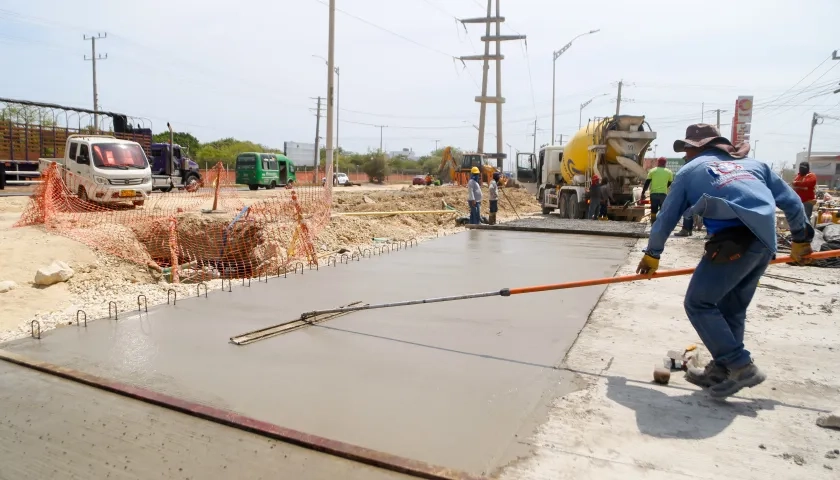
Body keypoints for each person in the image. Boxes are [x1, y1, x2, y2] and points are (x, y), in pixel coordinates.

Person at [636, 124, 814, 399]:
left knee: (698, 303)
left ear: (700, 147)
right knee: (732, 309)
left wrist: (652, 255)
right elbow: (792, 202)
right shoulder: (756, 165)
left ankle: (741, 366)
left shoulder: (689, 172)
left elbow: (666, 219)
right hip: (764, 244)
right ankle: (721, 371)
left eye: (687, 149)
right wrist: (801, 238)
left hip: (733, 244)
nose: (684, 156)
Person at [640, 157, 674, 223]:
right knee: (662, 210)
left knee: (653, 210)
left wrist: (643, 192)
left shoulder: (652, 171)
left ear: (658, 162)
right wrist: (665, 187)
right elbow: (670, 183)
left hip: (654, 194)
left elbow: (647, 182)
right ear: (665, 163)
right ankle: (661, 223)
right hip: (663, 194)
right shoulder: (669, 172)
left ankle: (653, 222)